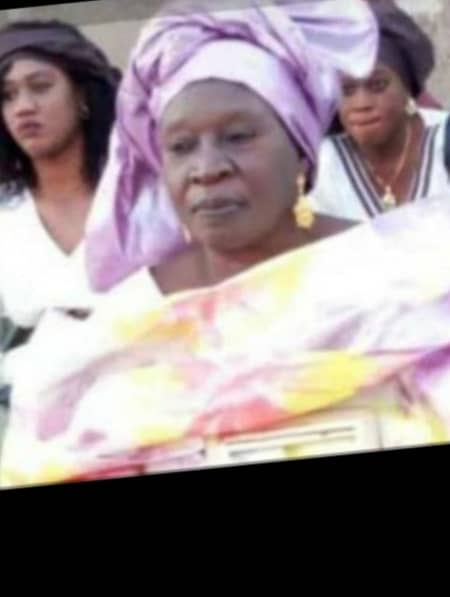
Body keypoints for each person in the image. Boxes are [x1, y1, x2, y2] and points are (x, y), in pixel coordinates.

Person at [4, 0, 450, 487]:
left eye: (238, 136)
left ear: (302, 153)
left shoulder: (404, 279)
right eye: (180, 147)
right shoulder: (122, 326)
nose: (206, 168)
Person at [0, 20, 120, 400]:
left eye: (40, 86)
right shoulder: (7, 213)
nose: (24, 107)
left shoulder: (136, 193)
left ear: (81, 95)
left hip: (148, 384)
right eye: (7, 96)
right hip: (31, 399)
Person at [311, 0, 450, 221]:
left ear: (407, 86)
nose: (362, 103)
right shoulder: (321, 166)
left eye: (378, 85)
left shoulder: (444, 142)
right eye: (347, 90)